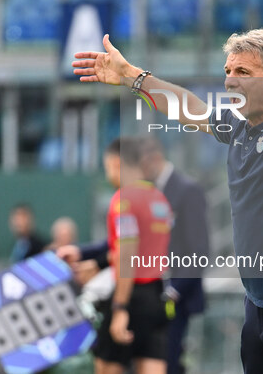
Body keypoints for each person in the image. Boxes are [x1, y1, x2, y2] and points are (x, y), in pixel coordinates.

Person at [73, 29, 263, 373]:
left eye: (243, 72)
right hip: (258, 299)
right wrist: (131, 76)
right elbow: (187, 107)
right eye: (228, 71)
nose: (230, 81)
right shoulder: (239, 127)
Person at [92, 138, 171, 374]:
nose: (108, 175)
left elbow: (128, 254)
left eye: (107, 168)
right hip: (156, 297)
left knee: (106, 368)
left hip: (130, 296)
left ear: (116, 163)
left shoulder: (123, 199)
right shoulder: (160, 200)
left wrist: (119, 307)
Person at [139, 137, 210, 374]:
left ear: (155, 159)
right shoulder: (150, 191)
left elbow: (199, 249)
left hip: (174, 298)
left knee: (168, 361)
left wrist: (174, 291)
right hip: (152, 293)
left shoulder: (186, 190)